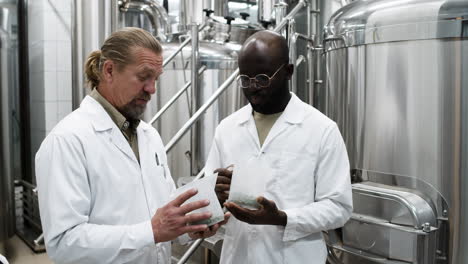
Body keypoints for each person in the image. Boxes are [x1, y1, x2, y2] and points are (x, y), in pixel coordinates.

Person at [35, 27, 228, 264]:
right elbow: (63, 243)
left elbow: (160, 214)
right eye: (143, 77)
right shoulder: (66, 141)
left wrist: (189, 226)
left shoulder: (149, 136)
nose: (152, 89)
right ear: (109, 70)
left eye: (156, 78)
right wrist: (151, 231)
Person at [205, 30, 353, 263]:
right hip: (238, 256)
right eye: (245, 79)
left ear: (288, 72)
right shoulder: (228, 128)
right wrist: (214, 194)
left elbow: (338, 208)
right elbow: (208, 196)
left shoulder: (321, 129)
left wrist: (283, 218)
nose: (253, 87)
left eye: (263, 78)